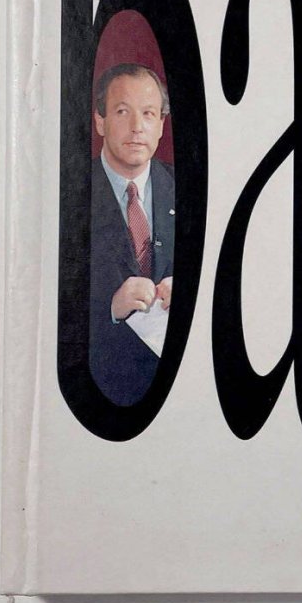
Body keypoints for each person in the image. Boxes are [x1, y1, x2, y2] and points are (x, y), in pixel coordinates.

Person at [88, 62, 176, 405]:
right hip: (102, 393)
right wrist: (111, 308)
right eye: (123, 112)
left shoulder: (190, 191)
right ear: (100, 121)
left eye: (149, 113)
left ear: (161, 125)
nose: (137, 127)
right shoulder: (69, 195)